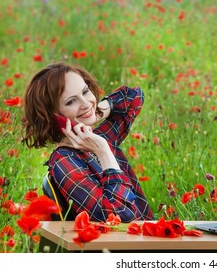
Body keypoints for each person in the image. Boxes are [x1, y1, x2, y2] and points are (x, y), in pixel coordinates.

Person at [22, 62, 153, 222]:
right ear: (52, 117)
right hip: (121, 245)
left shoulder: (100, 136)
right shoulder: (64, 160)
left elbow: (133, 97)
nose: (85, 103)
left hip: (144, 239)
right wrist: (103, 151)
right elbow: (120, 215)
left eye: (85, 91)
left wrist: (94, 112)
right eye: (71, 101)